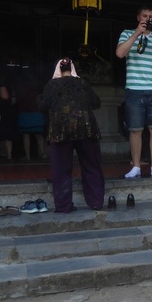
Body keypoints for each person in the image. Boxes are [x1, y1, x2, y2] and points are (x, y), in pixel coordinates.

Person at [116, 6, 152, 179]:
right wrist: (137, 33)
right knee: (135, 129)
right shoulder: (127, 33)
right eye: (145, 16)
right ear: (138, 17)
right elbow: (120, 53)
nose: (148, 19)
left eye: (151, 17)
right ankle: (136, 166)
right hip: (134, 88)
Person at [37, 58, 105, 213]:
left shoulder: (52, 85)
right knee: (91, 166)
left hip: (60, 131)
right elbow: (96, 103)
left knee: (61, 169)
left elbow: (42, 104)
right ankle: (96, 202)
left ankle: (63, 205)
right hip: (86, 129)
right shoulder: (82, 84)